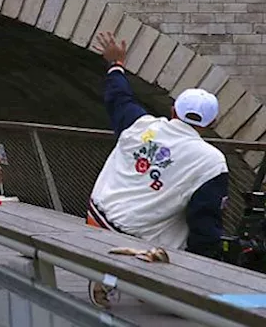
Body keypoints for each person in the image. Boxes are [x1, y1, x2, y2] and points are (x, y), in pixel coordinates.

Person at [86, 31, 229, 306]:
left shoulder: (142, 125)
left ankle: (130, 275)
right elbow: (204, 221)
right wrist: (206, 270)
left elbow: (119, 97)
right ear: (211, 123)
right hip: (134, 235)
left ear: (174, 110)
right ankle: (156, 281)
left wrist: (116, 64)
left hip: (97, 218)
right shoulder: (211, 161)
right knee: (185, 220)